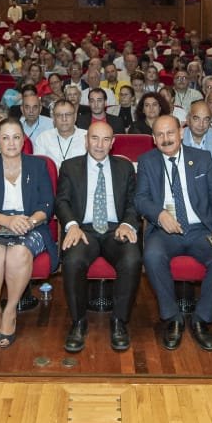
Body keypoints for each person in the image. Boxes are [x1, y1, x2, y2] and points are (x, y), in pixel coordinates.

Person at [134, 116, 212, 352]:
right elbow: (140, 199)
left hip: (201, 229)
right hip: (165, 230)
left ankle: (201, 319)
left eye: (170, 133)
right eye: (160, 135)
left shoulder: (202, 158)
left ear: (181, 132)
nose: (166, 139)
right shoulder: (147, 161)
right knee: (152, 256)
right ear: (153, 138)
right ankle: (173, 318)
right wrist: (159, 215)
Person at [56, 121, 140, 353]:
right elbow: (61, 201)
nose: (99, 145)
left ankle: (119, 321)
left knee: (132, 259)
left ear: (113, 143)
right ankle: (78, 322)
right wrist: (72, 225)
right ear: (86, 140)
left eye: (105, 139)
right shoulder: (70, 166)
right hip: (84, 230)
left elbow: (134, 203)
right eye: (94, 138)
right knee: (73, 260)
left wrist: (127, 224)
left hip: (116, 229)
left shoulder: (125, 167)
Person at [0, 119, 55, 349]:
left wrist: (29, 221)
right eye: (5, 138)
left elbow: (47, 206)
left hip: (30, 224)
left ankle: (9, 310)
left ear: (23, 140)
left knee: (19, 253)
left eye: (16, 137)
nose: (11, 143)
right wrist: (7, 220)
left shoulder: (38, 166)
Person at [182, 99, 212, 178]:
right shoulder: (178, 138)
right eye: (196, 119)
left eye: (206, 119)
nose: (201, 124)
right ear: (188, 119)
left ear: (210, 121)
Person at [32, 99, 86, 167]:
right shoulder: (43, 138)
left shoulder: (87, 137)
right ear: (53, 118)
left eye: (68, 114)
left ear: (75, 116)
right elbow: (38, 166)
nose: (64, 119)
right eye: (59, 115)